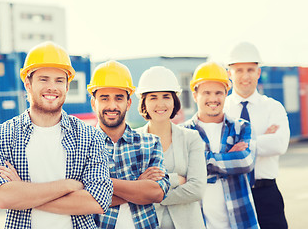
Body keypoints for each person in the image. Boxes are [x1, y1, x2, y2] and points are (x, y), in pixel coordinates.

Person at [0, 41, 113, 229]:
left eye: (59, 80)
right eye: (44, 79)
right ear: (28, 84)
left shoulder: (90, 136)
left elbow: (97, 202)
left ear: (67, 87)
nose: (52, 87)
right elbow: (3, 197)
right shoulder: (3, 135)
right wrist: (68, 185)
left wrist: (24, 194)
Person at [88, 60, 170, 229]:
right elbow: (79, 199)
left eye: (119, 98)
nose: (112, 105)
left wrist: (99, 183)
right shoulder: (83, 146)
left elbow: (156, 193)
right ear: (93, 103)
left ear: (129, 102)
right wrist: (138, 184)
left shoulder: (150, 143)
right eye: (104, 98)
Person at [183, 62, 259, 229]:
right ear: (195, 96)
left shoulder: (242, 127)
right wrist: (228, 159)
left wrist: (197, 164)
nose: (213, 99)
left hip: (242, 223)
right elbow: (178, 172)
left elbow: (245, 161)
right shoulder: (182, 133)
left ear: (226, 94)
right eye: (206, 93)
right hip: (199, 223)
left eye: (218, 92)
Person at [224, 41, 290, 229]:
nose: (245, 76)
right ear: (230, 73)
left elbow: (279, 144)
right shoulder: (222, 109)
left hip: (267, 193)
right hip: (232, 192)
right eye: (239, 70)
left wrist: (239, 146)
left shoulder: (273, 107)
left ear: (258, 73)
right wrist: (262, 138)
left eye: (251, 70)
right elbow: (217, 149)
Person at [135, 66, 207, 229]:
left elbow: (197, 189)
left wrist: (150, 194)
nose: (160, 104)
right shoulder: (133, 141)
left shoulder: (191, 138)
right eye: (153, 97)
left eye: (166, 97)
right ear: (144, 102)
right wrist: (176, 179)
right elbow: (131, 188)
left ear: (174, 101)